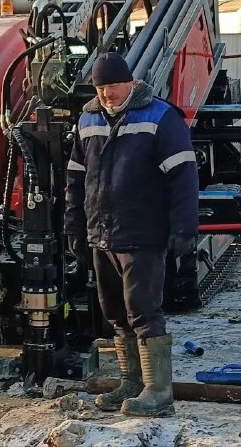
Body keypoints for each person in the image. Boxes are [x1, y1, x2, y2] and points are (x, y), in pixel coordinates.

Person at [63, 52, 199, 417]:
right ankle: (131, 382)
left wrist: (185, 227)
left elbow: (183, 176)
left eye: (113, 85)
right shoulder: (88, 119)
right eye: (101, 86)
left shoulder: (160, 116)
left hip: (143, 233)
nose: (107, 93)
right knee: (115, 312)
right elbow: (76, 180)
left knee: (143, 311)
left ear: (131, 83)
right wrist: (74, 226)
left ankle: (159, 391)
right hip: (102, 235)